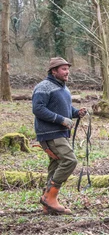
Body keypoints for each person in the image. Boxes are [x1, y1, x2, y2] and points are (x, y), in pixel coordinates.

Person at [32, 57, 87, 215]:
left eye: (67, 68)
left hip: (59, 133)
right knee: (70, 160)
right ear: (53, 71)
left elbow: (65, 108)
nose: (67, 71)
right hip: (50, 134)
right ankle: (50, 198)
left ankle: (47, 203)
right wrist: (61, 120)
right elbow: (38, 109)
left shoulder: (63, 87)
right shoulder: (43, 87)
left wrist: (76, 113)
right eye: (63, 69)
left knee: (55, 166)